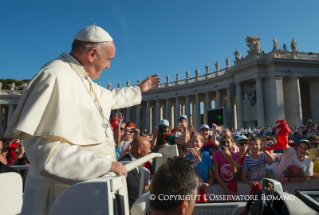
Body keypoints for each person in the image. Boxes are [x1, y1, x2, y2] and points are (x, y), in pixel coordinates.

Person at [4, 25, 160, 215]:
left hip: (83, 197)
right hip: (60, 201)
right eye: (108, 59)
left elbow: (110, 98)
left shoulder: (82, 80)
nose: (109, 66)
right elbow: (47, 155)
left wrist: (139, 90)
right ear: (92, 54)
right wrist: (105, 165)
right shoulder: (56, 77)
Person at [119, 137, 151, 209]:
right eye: (148, 148)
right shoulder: (124, 166)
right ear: (139, 149)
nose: (150, 151)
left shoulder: (137, 163)